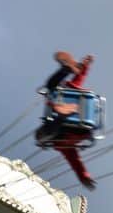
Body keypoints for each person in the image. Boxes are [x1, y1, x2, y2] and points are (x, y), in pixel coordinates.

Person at [36, 51, 97, 190]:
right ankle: (66, 70)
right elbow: (76, 162)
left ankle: (66, 70)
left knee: (52, 86)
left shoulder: (62, 145)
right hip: (75, 122)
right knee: (52, 86)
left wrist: (84, 176)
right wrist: (84, 176)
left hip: (70, 119)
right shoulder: (62, 144)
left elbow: (75, 162)